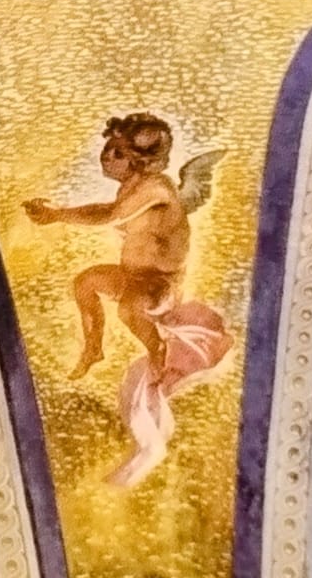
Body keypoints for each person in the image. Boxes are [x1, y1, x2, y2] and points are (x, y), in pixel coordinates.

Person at [25, 114, 230, 488]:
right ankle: (94, 348)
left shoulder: (156, 188)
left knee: (130, 307)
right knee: (87, 282)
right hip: (133, 276)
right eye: (108, 149)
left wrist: (57, 214)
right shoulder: (132, 188)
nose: (106, 156)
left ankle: (157, 353)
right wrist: (57, 214)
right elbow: (107, 212)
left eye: (117, 152)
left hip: (159, 284)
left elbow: (108, 215)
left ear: (140, 160)